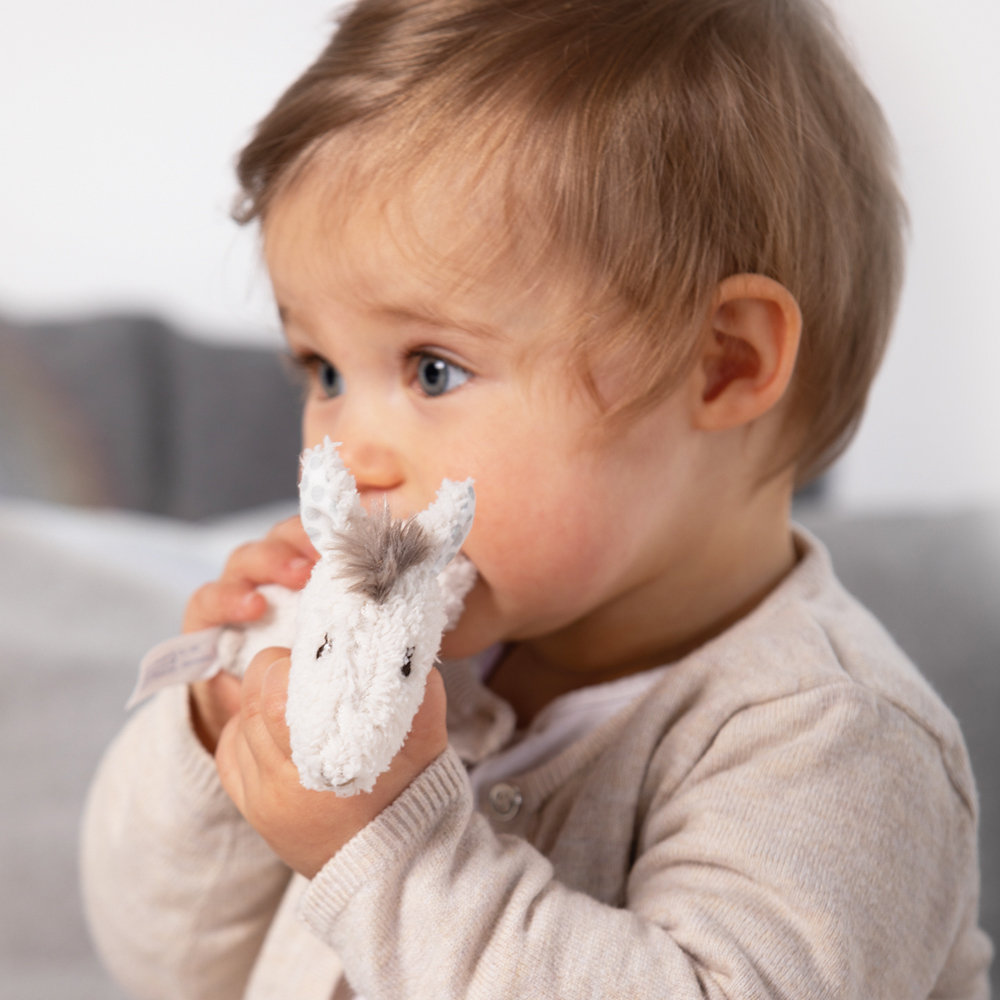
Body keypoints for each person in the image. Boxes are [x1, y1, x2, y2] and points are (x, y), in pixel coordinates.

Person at [81, 0, 994, 997]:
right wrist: (221, 738)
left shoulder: (835, 744)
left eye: (432, 369)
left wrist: (387, 847)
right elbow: (170, 965)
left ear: (721, 363)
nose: (345, 452)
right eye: (323, 370)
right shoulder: (432, 659)